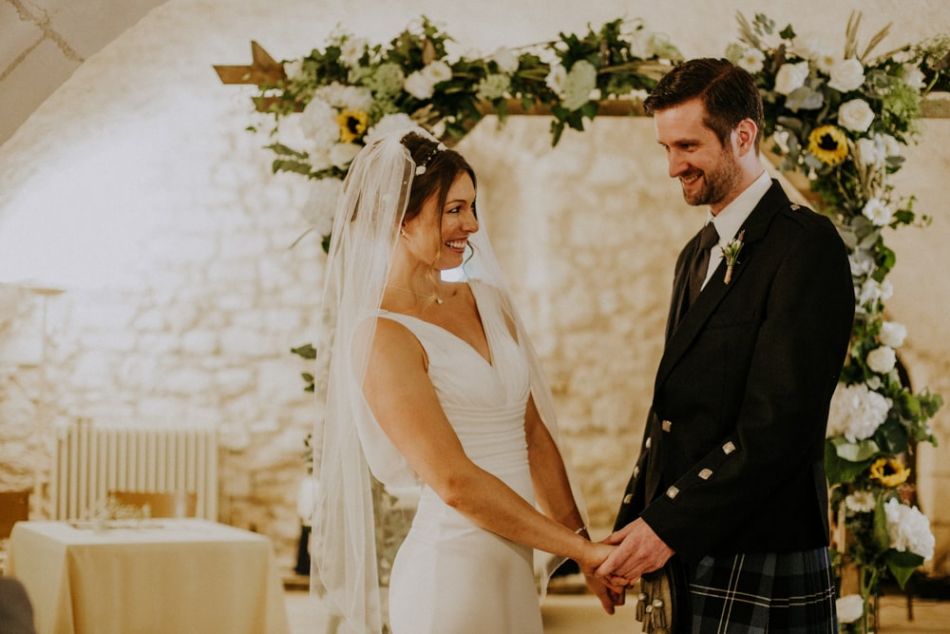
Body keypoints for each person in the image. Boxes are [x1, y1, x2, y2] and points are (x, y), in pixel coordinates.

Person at [314, 129, 620, 634]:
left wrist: (583, 547)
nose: (472, 225)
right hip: (450, 574)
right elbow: (454, 482)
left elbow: (532, 434)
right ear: (401, 219)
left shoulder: (489, 301)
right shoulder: (381, 334)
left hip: (515, 567)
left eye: (473, 208)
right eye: (454, 210)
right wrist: (578, 549)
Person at [596, 58, 855, 631]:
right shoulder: (696, 252)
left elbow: (779, 425)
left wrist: (665, 525)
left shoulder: (805, 246)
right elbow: (674, 410)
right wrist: (634, 523)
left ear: (743, 135)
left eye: (686, 146)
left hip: (763, 544)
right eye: (664, 148)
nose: (671, 167)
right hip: (695, 541)